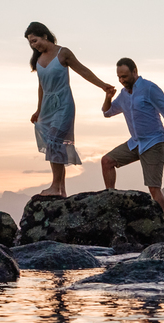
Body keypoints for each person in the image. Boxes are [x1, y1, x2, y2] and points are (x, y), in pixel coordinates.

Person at [25, 22, 115, 197]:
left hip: (63, 104)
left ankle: (55, 186)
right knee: (55, 144)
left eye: (35, 40)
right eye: (30, 43)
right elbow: (41, 87)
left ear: (44, 36)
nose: (33, 45)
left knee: (54, 140)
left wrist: (103, 86)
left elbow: (83, 71)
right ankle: (62, 191)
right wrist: (38, 110)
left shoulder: (63, 53)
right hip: (47, 107)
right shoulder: (38, 59)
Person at [100, 58, 164, 217]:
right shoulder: (124, 94)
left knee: (153, 188)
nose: (122, 80)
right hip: (135, 142)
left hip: (154, 142)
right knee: (107, 161)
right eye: (119, 77)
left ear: (135, 72)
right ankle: (110, 200)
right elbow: (107, 112)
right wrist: (108, 97)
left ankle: (161, 225)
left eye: (125, 76)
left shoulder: (149, 88)